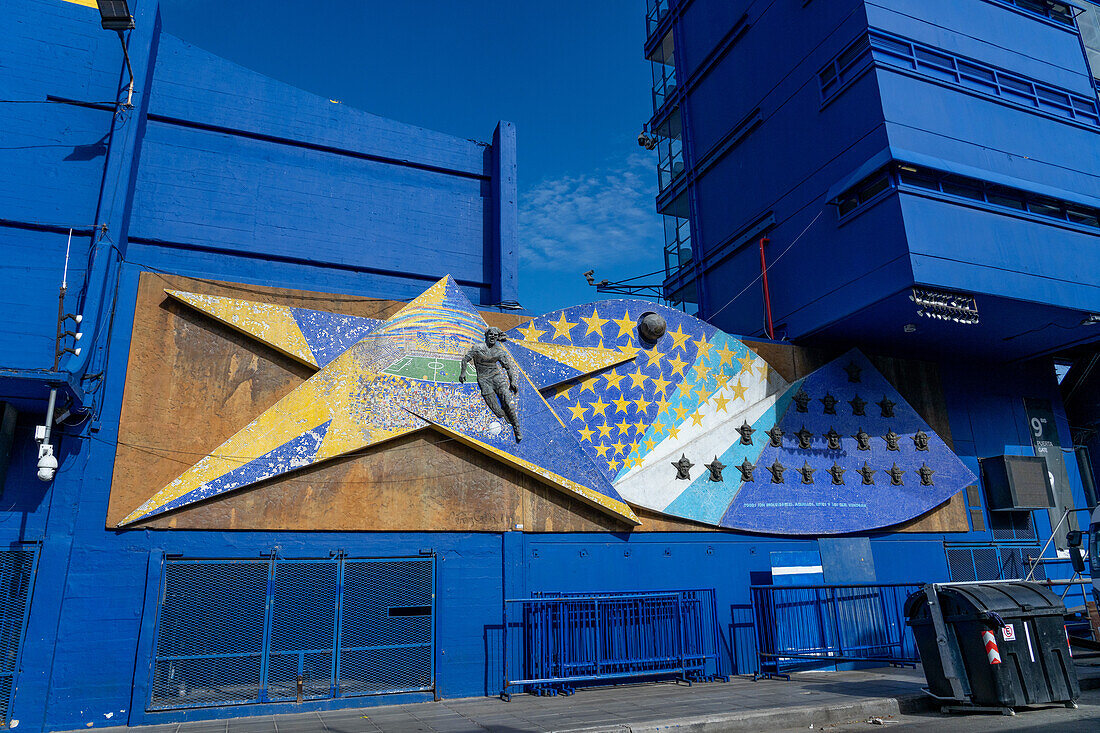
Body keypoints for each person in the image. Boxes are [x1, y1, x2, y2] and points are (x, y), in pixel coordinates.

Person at [460, 327, 522, 441]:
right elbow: (465, 359)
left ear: (498, 337)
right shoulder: (477, 348)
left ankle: (517, 427)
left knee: (509, 403)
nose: (493, 336)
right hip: (484, 380)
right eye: (491, 334)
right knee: (497, 411)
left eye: (495, 335)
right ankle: (506, 415)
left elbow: (508, 368)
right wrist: (463, 373)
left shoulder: (499, 352)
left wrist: (512, 381)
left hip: (497, 378)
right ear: (486, 335)